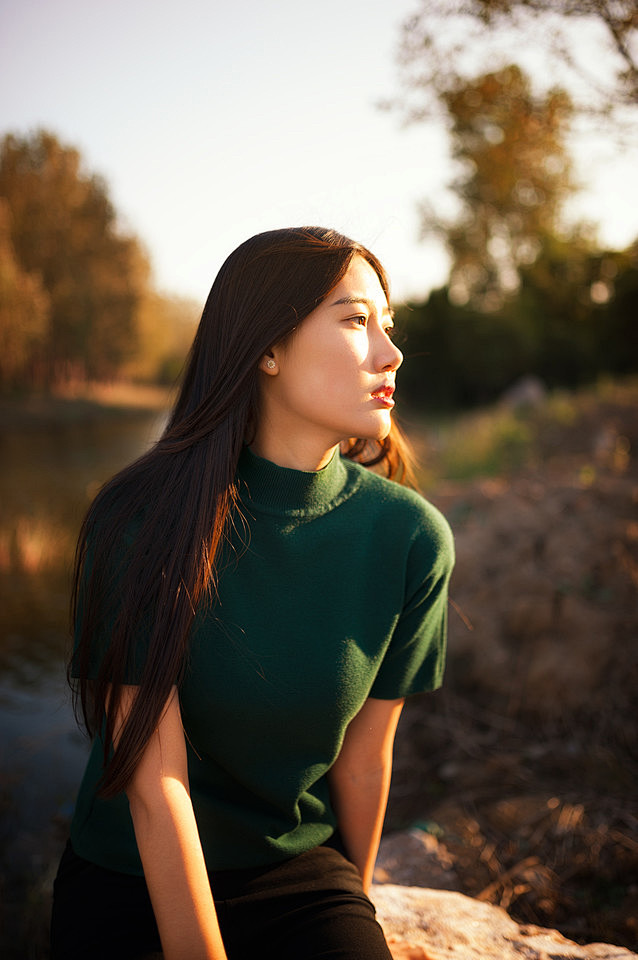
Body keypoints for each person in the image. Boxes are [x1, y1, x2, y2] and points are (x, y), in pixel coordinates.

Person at [50, 226, 454, 960]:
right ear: (265, 349)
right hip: (131, 872)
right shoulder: (139, 519)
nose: (390, 354)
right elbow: (155, 780)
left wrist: (352, 909)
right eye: (357, 322)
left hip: (294, 871)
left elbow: (362, 763)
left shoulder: (409, 538)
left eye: (387, 327)